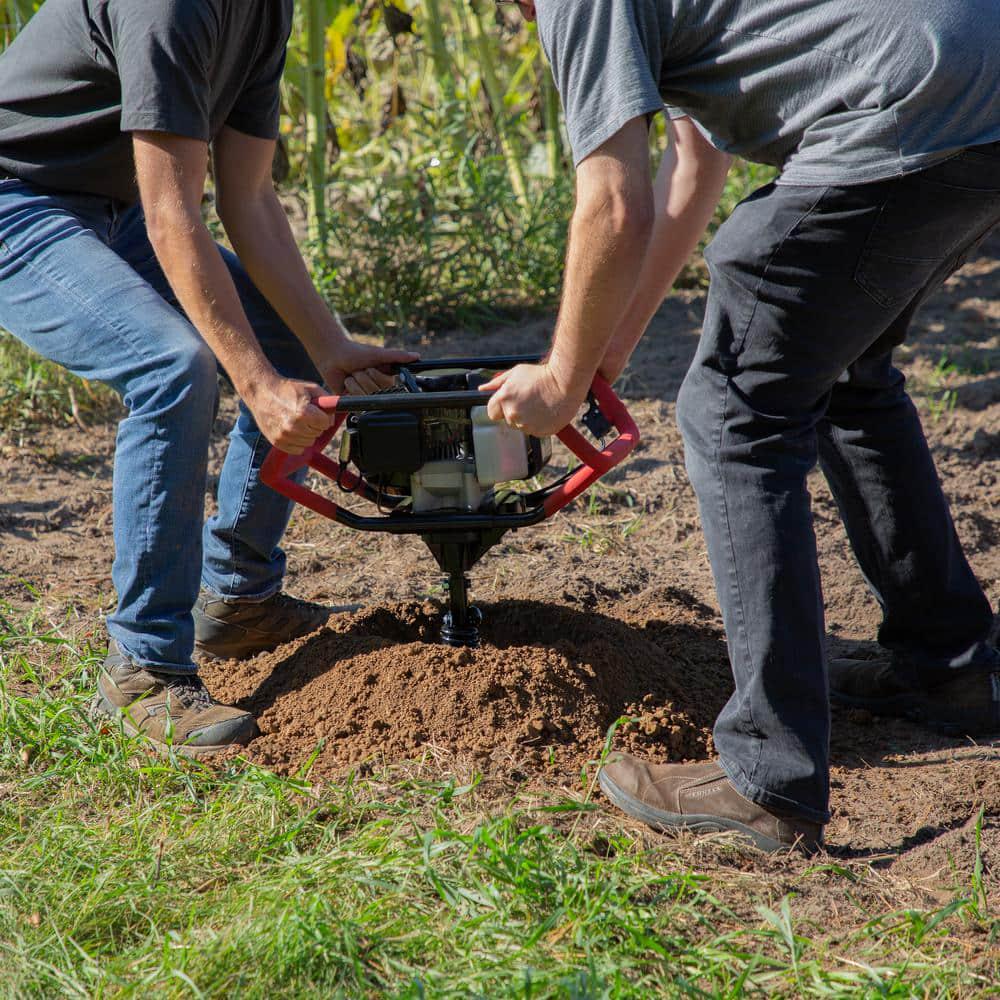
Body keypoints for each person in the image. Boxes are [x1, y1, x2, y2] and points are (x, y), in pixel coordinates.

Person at [485, 0, 1000, 851]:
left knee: (733, 407)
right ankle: (946, 666)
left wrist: (561, 379)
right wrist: (605, 355)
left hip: (909, 95)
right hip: (975, 87)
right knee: (845, 368)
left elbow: (615, 202)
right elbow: (694, 162)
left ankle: (769, 779)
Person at [0, 0, 417, 756]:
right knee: (173, 365)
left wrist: (327, 348)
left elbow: (247, 197)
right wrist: (255, 385)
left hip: (113, 208)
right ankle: (143, 667)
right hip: (17, 200)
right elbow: (172, 213)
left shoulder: (262, 12)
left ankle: (237, 599)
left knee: (284, 343)